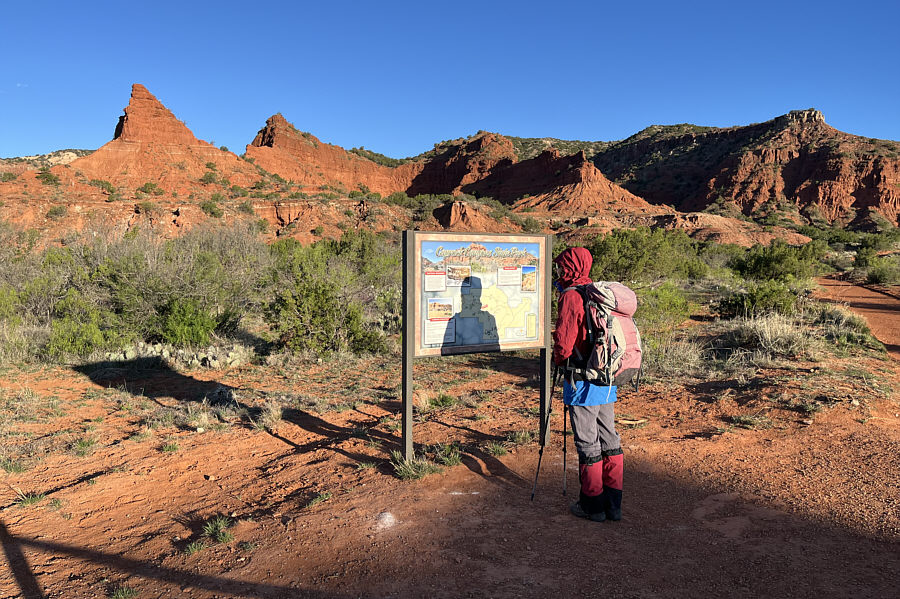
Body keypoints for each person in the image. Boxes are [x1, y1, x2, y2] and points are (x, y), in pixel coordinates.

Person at [552, 246, 624, 522]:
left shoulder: (571, 296)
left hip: (582, 379)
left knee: (587, 441)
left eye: (562, 266)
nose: (559, 270)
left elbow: (564, 340)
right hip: (607, 378)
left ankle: (592, 505)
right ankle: (613, 504)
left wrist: (559, 361)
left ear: (570, 267)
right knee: (609, 438)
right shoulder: (597, 292)